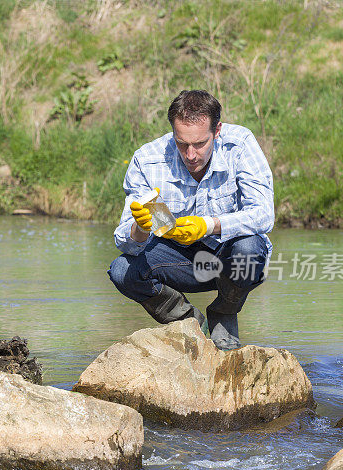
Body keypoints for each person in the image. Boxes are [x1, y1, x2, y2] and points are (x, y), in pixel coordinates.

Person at [108, 89, 274, 350]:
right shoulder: (147, 160)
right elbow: (126, 244)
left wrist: (210, 225)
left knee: (250, 249)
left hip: (228, 259)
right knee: (122, 271)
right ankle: (191, 323)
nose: (191, 154)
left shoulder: (240, 144)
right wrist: (139, 228)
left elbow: (264, 214)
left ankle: (224, 311)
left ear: (216, 131)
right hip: (177, 260)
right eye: (182, 143)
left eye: (200, 144)